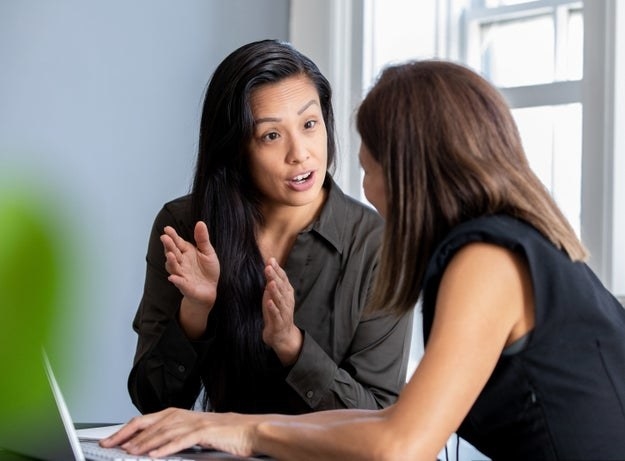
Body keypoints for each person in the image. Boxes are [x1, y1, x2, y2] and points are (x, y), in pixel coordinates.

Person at [104, 60, 625, 460]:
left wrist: (243, 429)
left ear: (408, 170)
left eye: (367, 167)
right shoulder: (504, 245)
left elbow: (399, 444)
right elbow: (396, 421)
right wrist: (223, 426)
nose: (363, 187)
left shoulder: (486, 261)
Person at [127, 39, 413, 417]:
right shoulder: (185, 227)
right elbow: (153, 400)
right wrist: (195, 311)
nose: (300, 153)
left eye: (310, 124)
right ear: (235, 149)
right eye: (271, 135)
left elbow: (379, 421)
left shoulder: (379, 246)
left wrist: (291, 345)